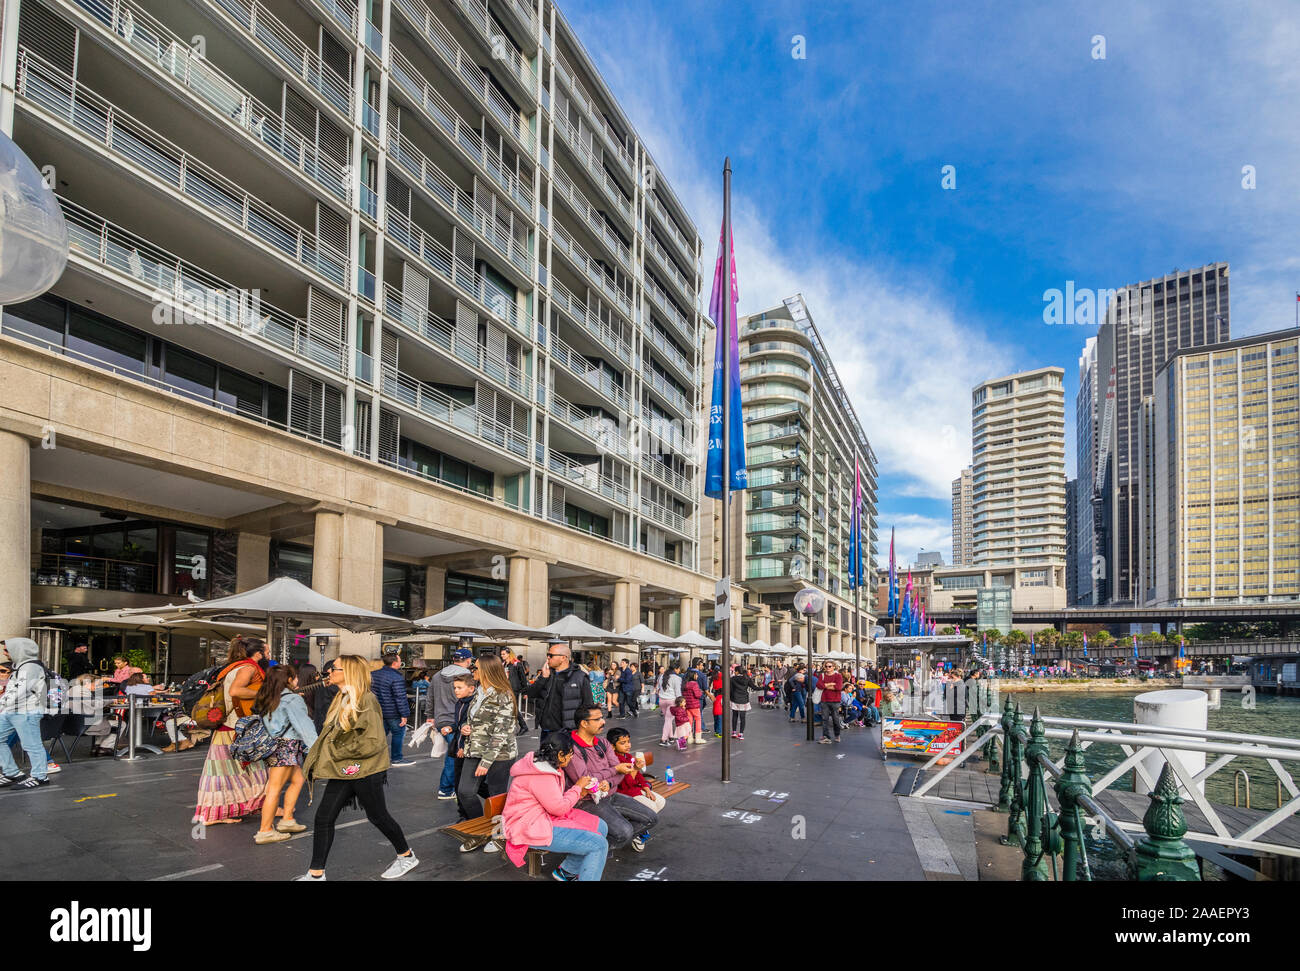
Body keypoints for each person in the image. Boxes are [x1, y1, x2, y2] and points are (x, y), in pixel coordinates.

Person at [297, 655, 418, 881]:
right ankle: (315, 874)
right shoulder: (342, 697)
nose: (328, 673)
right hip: (344, 769)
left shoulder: (365, 699)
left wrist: (334, 753)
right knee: (324, 818)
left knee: (378, 816)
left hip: (364, 769)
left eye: (333, 669)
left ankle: (407, 855)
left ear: (349, 672)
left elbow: (372, 741)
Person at [501, 732, 608, 882]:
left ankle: (567, 872)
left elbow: (554, 801)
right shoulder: (541, 775)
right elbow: (558, 808)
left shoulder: (547, 766)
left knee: (600, 826)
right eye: (570, 754)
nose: (571, 758)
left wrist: (581, 791)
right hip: (528, 825)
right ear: (560, 754)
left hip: (543, 816)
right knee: (598, 845)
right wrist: (577, 788)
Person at [192, 636, 268, 824]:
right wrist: (264, 693)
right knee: (256, 769)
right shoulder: (248, 668)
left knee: (222, 773)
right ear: (257, 654)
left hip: (227, 727)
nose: (268, 654)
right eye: (266, 651)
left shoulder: (232, 667)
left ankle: (217, 812)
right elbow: (236, 691)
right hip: (236, 728)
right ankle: (263, 805)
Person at [563, 706, 658, 852]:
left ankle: (597, 848)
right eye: (598, 719)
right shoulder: (572, 748)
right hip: (587, 801)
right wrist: (613, 771)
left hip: (611, 794)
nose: (603, 722)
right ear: (584, 723)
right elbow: (586, 781)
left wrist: (609, 782)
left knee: (651, 818)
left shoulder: (603, 743)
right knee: (624, 832)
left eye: (602, 718)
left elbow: (621, 771)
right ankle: (581, 859)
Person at [455, 653, 518, 847]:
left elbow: (503, 731)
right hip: (474, 749)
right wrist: (463, 727)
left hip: (500, 754)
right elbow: (473, 719)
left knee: (496, 796)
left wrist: (486, 761)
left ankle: (498, 836)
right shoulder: (480, 691)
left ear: (487, 670)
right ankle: (482, 831)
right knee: (465, 792)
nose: (473, 671)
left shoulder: (503, 695)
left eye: (476, 668)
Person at [252, 664, 318, 844]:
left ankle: (287, 819)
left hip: (275, 745)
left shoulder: (269, 696)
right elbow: (304, 726)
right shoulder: (292, 699)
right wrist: (317, 749)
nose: (297, 679)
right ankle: (265, 830)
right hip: (287, 746)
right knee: (274, 788)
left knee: (298, 780)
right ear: (289, 680)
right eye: (295, 677)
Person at [0, 638, 51, 789]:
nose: (4, 652)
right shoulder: (20, 665)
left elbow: (18, 692)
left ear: (19, 650)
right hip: (13, 710)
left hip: (27, 711)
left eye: (7, 650)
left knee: (32, 745)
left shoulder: (30, 668)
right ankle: (12, 772)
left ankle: (40, 776)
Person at [522, 641, 593, 749]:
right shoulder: (547, 674)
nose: (548, 658)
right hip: (547, 730)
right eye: (547, 655)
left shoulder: (579, 677)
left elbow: (588, 705)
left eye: (551, 655)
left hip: (568, 731)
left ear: (563, 658)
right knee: (546, 762)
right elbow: (531, 693)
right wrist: (543, 678)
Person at [427, 650, 473, 799]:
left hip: (441, 719)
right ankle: (446, 789)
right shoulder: (466, 675)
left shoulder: (436, 675)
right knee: (454, 754)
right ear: (467, 660)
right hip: (457, 720)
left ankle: (450, 787)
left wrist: (430, 716)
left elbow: (430, 697)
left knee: (453, 752)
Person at [607, 726, 665, 814]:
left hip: (636, 789)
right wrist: (635, 769)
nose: (628, 745)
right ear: (612, 746)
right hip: (625, 793)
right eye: (623, 743)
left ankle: (644, 820)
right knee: (651, 807)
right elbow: (628, 784)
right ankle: (642, 823)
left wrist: (647, 789)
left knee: (661, 801)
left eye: (628, 741)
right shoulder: (615, 760)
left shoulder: (628, 756)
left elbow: (639, 776)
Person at [371, 649, 413, 767]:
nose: (401, 663)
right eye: (400, 661)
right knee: (398, 734)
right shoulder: (396, 677)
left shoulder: (374, 674)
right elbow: (400, 697)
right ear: (395, 663)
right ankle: (397, 758)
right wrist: (404, 715)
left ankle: (374, 758)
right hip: (393, 712)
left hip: (378, 711)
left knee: (379, 736)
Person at [501, 648, 530, 735]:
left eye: (504, 654)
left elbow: (523, 678)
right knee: (511, 707)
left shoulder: (516, 664)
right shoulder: (504, 664)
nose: (502, 656)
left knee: (513, 707)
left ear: (509, 654)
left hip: (514, 689)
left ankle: (523, 726)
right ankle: (520, 726)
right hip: (506, 688)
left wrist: (525, 691)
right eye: (501, 654)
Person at [656, 661, 682, 745]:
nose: (679, 671)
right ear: (676, 669)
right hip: (672, 700)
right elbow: (678, 692)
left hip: (662, 700)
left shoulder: (661, 676)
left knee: (668, 720)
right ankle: (663, 739)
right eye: (679, 669)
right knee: (668, 720)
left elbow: (658, 688)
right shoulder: (677, 678)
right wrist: (681, 703)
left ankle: (670, 736)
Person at [729, 665, 757, 739]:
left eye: (735, 671)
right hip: (744, 700)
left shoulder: (732, 679)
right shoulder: (747, 678)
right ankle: (741, 734)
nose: (734, 672)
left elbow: (730, 690)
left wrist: (730, 698)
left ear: (737, 671)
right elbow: (754, 687)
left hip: (735, 699)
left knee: (734, 716)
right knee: (742, 717)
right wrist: (765, 687)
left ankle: (734, 732)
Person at [680, 665, 704, 744]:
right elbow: (698, 695)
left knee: (689, 722)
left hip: (688, 706)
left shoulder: (685, 684)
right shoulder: (694, 684)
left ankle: (689, 738)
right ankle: (698, 738)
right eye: (696, 674)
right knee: (698, 720)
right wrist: (700, 692)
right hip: (695, 706)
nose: (697, 676)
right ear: (693, 676)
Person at [711, 669, 724, 737]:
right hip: (720, 698)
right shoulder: (720, 677)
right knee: (720, 720)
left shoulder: (714, 679)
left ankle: (716, 731)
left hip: (715, 698)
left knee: (716, 719)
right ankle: (719, 732)